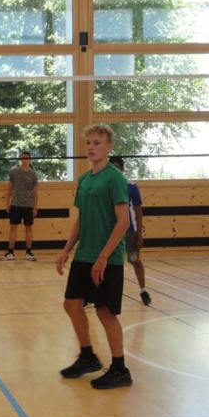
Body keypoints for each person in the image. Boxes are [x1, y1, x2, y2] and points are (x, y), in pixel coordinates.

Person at [55, 124, 133, 390]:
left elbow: (123, 222)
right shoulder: (84, 180)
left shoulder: (115, 179)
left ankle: (120, 369)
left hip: (107, 258)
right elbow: (81, 218)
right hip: (84, 254)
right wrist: (66, 249)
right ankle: (87, 356)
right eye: (88, 142)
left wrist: (103, 257)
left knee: (105, 311)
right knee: (71, 304)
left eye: (97, 142)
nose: (91, 147)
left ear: (109, 147)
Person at [109, 156, 152, 306]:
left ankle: (143, 290)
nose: (114, 170)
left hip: (130, 232)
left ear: (122, 168)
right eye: (112, 167)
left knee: (135, 260)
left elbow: (138, 211)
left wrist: (139, 234)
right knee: (107, 262)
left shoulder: (131, 187)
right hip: (112, 232)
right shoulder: (106, 186)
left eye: (117, 167)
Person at [1, 151, 39, 261]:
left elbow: (35, 192)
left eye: (27, 158)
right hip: (16, 204)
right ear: (20, 159)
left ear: (30, 159)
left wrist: (35, 207)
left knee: (28, 228)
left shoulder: (33, 174)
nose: (25, 160)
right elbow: (9, 188)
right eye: (23, 158)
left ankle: (28, 252)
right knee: (13, 228)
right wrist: (7, 203)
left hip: (28, 205)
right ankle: (11, 252)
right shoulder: (14, 172)